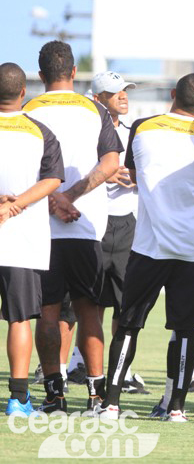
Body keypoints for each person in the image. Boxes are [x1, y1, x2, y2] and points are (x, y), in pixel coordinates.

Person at [95, 73, 194, 422]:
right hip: (193, 250)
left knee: (128, 325)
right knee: (186, 330)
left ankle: (110, 404)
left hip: (148, 247)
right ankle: (177, 409)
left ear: (172, 95)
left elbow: (134, 177)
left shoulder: (142, 126)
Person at [25, 41, 123, 413]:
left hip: (41, 232)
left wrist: (54, 199)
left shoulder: (28, 110)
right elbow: (112, 162)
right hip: (86, 229)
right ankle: (97, 395)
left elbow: (24, 172)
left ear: (40, 76)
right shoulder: (94, 109)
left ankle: (54, 394)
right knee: (89, 312)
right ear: (74, 72)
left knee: (49, 313)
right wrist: (74, 195)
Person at [0, 62, 64, 415]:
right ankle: (18, 398)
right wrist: (15, 205)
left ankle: (19, 397)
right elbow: (53, 179)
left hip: (18, 236)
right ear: (24, 92)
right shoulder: (40, 131)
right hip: (22, 242)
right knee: (19, 319)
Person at [90, 71, 148, 396]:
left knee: (124, 304)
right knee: (91, 304)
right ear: (99, 97)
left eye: (125, 90)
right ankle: (85, 368)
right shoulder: (89, 128)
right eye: (116, 92)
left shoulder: (134, 130)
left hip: (128, 222)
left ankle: (119, 372)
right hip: (97, 221)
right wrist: (105, 175)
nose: (124, 96)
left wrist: (133, 177)